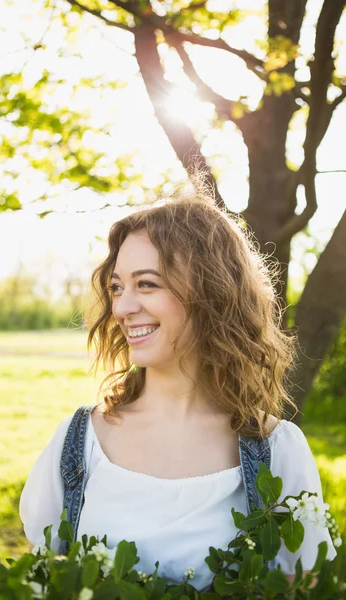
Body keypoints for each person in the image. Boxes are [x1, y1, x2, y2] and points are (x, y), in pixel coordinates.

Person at [19, 186, 336, 592]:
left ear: (212, 292)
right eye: (117, 287)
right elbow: (41, 578)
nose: (122, 307)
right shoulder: (78, 443)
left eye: (146, 284)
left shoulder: (277, 452)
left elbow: (306, 586)